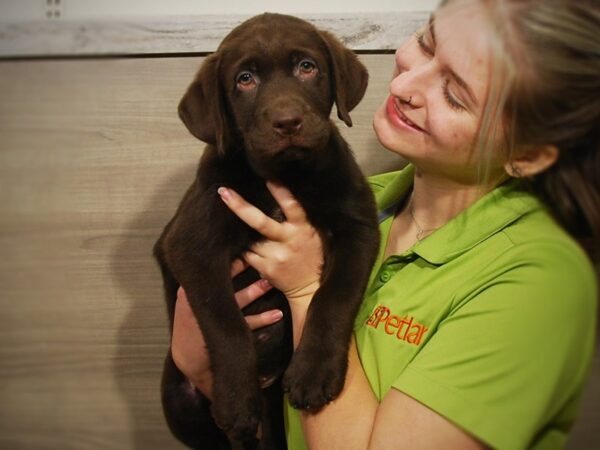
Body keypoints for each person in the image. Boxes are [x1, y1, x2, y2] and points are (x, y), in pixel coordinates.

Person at [170, 0, 600, 448]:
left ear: (525, 154)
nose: (408, 84)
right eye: (425, 43)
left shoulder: (539, 283)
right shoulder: (364, 200)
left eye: (455, 94)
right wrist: (205, 367)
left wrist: (305, 291)